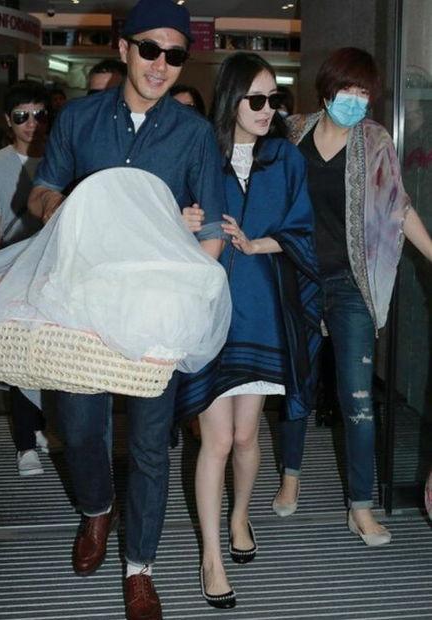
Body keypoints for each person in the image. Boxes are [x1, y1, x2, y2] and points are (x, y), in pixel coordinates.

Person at [27, 0, 226, 618]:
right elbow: (40, 191)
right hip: (83, 300)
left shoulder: (194, 133)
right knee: (80, 428)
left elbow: (211, 229)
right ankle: (96, 509)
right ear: (123, 48)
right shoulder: (80, 118)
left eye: (174, 55)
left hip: (157, 308)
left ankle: (140, 567)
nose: (160, 64)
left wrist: (193, 295)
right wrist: (69, 207)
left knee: (149, 444)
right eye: (149, 49)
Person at [176, 52, 320, 608]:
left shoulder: (285, 157)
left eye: (273, 99)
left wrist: (258, 243)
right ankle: (211, 557)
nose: (267, 110)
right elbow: (163, 218)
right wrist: (181, 221)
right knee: (215, 439)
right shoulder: (200, 153)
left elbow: (304, 228)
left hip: (262, 309)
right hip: (211, 312)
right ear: (231, 99)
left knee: (245, 436)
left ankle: (240, 516)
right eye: (255, 99)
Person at [275, 47, 432, 545]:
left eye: (365, 92)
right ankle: (291, 476)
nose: (356, 100)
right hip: (298, 277)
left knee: (358, 398)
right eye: (349, 89)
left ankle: (360, 507)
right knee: (298, 385)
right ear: (327, 89)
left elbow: (398, 207)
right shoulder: (292, 132)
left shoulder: (375, 140)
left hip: (351, 284)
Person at [0, 81, 50, 476]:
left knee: (51, 354)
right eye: (22, 116)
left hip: (53, 272)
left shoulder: (59, 158)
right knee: (19, 356)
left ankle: (40, 426)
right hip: (12, 270)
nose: (31, 123)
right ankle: (25, 444)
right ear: (8, 120)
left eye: (39, 114)